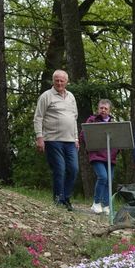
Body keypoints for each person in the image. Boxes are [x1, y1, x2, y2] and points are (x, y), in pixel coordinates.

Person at [33, 70, 79, 211]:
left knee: (73, 169)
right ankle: (58, 200)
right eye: (57, 80)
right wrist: (39, 137)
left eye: (62, 80)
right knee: (60, 169)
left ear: (66, 82)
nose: (59, 83)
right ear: (53, 81)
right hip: (53, 139)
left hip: (70, 141)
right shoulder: (46, 96)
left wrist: (76, 138)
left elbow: (74, 118)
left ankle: (66, 198)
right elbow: (38, 117)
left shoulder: (71, 97)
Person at [81, 99, 117, 215]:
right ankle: (96, 203)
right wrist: (91, 146)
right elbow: (83, 135)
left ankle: (106, 205)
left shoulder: (113, 122)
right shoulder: (92, 120)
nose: (103, 110)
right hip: (97, 155)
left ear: (109, 110)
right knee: (103, 177)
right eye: (101, 108)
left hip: (110, 156)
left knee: (109, 180)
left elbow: (119, 138)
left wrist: (116, 151)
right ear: (98, 109)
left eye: (106, 108)